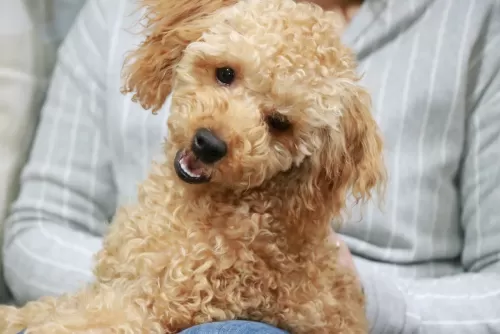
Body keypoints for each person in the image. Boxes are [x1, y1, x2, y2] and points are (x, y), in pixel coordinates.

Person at [2, 0, 500, 332]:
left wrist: (376, 299)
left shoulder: (476, 21)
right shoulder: (119, 14)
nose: (218, 131)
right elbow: (40, 225)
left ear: (312, 153)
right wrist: (126, 282)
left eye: (277, 123)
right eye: (224, 75)